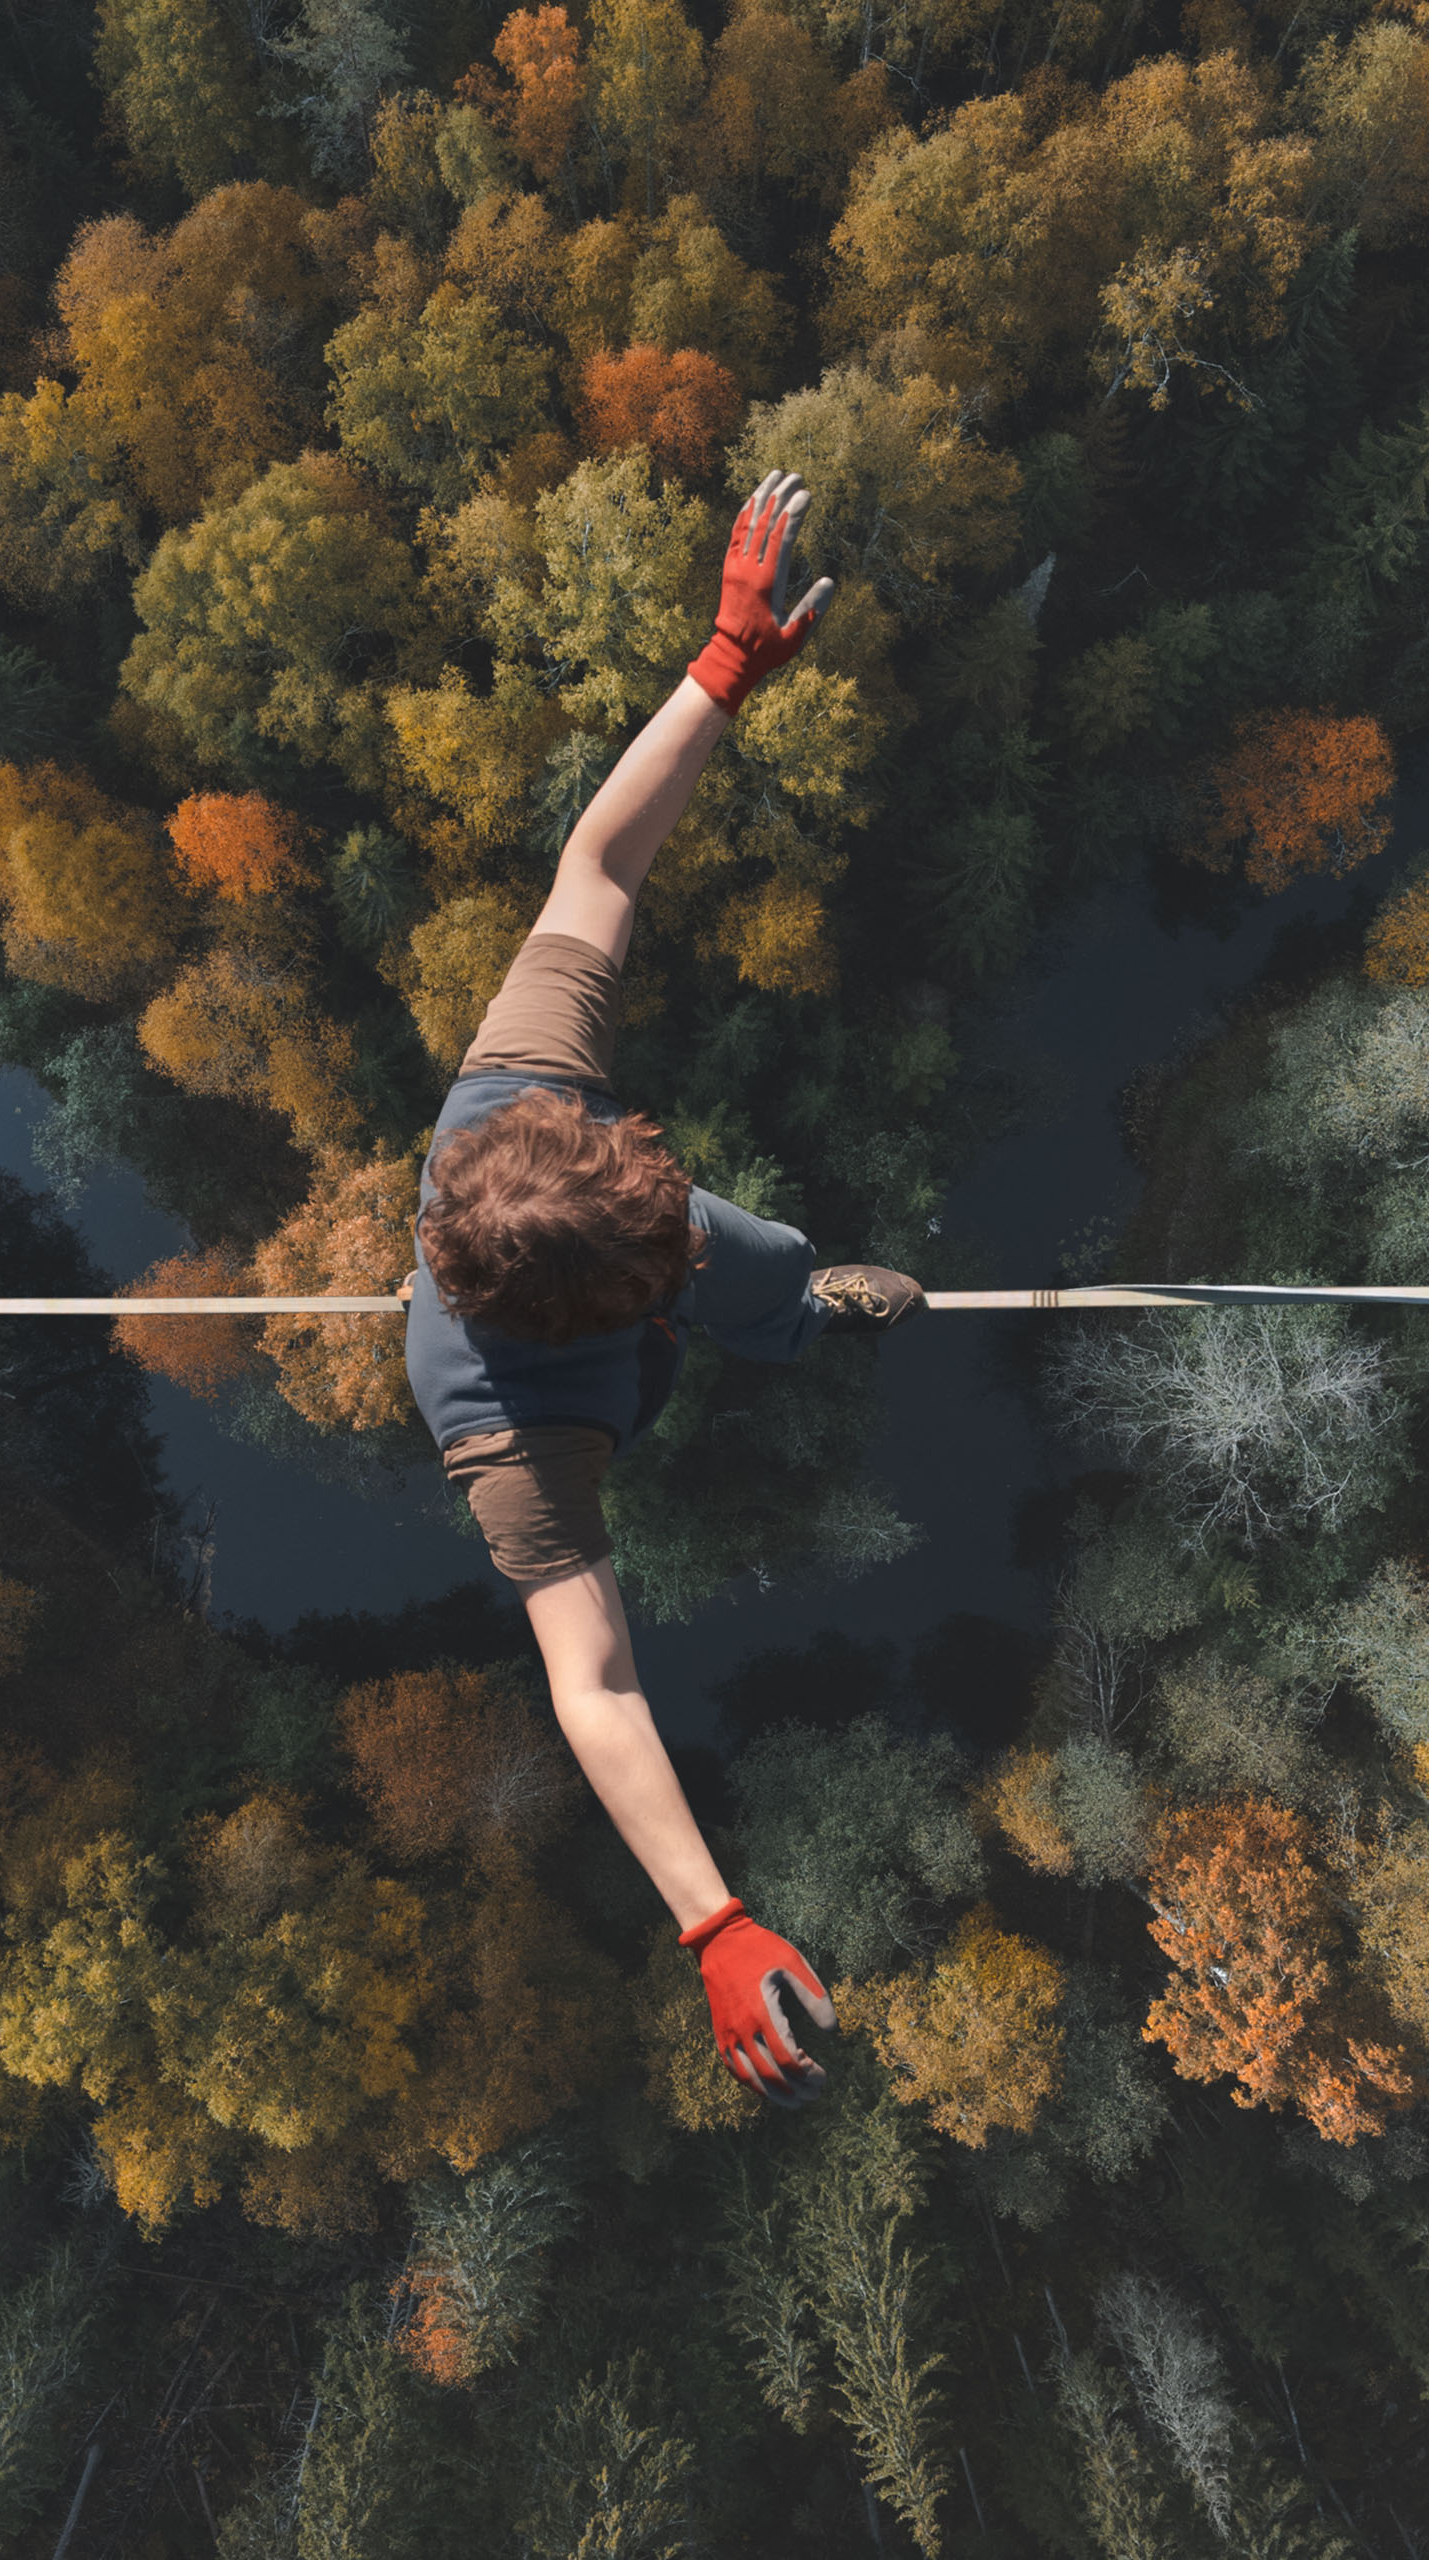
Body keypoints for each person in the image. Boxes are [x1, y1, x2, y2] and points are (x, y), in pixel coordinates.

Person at [407, 468, 924, 2109]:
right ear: (615, 1312)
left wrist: (719, 671)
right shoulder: (515, 1444)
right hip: (594, 1379)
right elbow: (597, 1686)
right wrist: (712, 1922)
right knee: (742, 1280)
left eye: (658, 1196)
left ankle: (790, 1309)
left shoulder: (514, 1108)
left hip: (589, 1273)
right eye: (663, 1256)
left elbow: (601, 865)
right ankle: (770, 1319)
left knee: (763, 1267)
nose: (676, 1218)